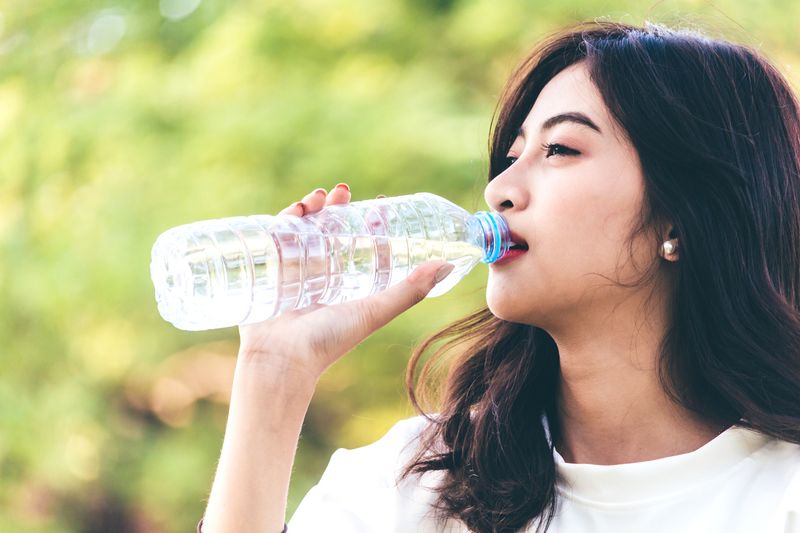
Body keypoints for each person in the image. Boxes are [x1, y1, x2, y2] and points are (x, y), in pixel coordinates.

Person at [199, 21, 800, 532]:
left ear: (683, 215)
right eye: (511, 156)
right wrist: (272, 375)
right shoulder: (411, 487)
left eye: (560, 150)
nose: (498, 191)